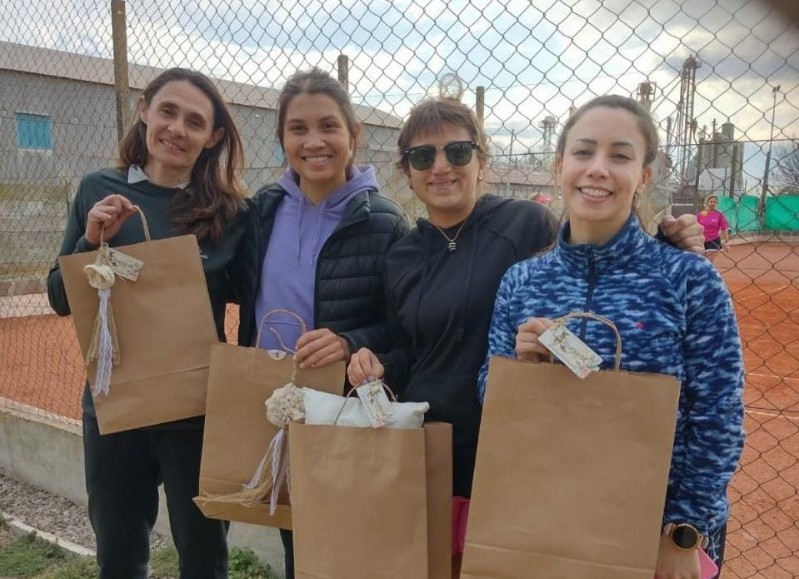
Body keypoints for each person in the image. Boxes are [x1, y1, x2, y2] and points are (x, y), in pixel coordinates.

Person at [347, 94, 706, 577]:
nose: (440, 167)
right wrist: (379, 362)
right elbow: (412, 346)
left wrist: (665, 245)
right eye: (422, 156)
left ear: (481, 161)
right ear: (406, 169)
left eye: (457, 152)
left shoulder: (525, 224)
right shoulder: (403, 256)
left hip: (516, 456)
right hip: (431, 449)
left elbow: (592, 264)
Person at [477, 95, 745, 579]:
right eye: (583, 153)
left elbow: (718, 417)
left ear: (643, 175)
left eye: (619, 156)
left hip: (658, 531)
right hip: (543, 518)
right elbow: (488, 395)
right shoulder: (521, 280)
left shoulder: (689, 280)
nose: (597, 169)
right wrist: (522, 369)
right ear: (561, 166)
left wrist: (684, 529)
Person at [46, 68, 249, 579]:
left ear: (213, 137)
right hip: (115, 409)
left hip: (196, 416)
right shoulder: (99, 189)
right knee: (118, 557)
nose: (178, 129)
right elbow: (58, 298)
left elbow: (258, 303)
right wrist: (90, 241)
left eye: (195, 121)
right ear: (144, 111)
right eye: (168, 112)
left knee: (205, 560)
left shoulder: (230, 210)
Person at [235, 68, 410, 579]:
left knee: (350, 544)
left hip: (344, 409)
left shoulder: (383, 221)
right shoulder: (261, 212)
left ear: (353, 135)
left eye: (329, 126)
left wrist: (351, 341)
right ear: (283, 138)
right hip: (278, 404)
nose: (314, 142)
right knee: (297, 543)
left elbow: (401, 331)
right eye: (298, 128)